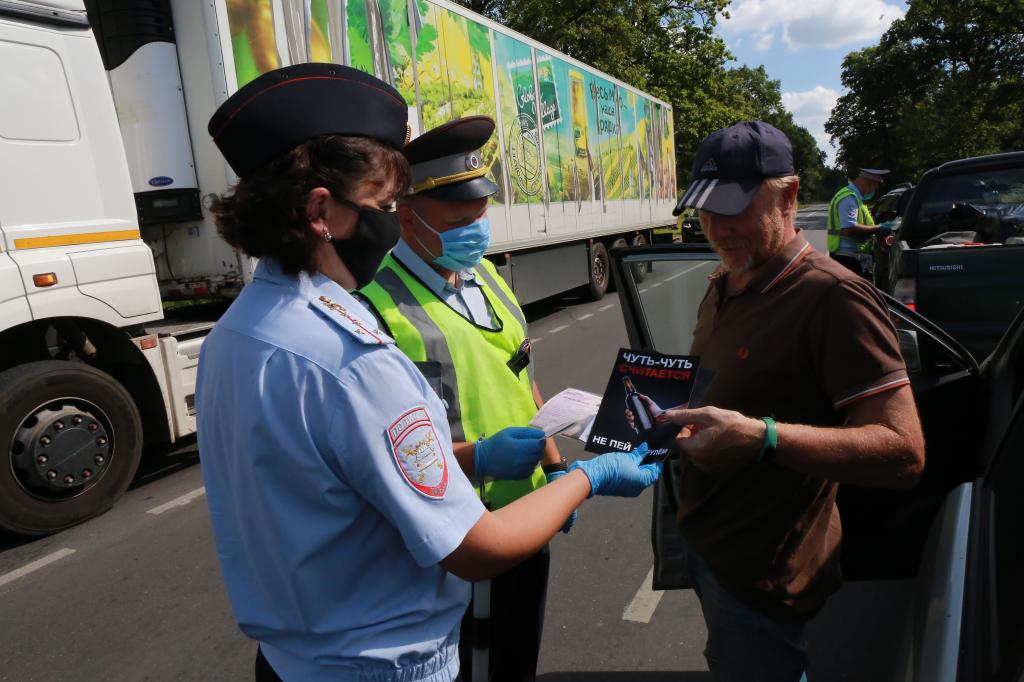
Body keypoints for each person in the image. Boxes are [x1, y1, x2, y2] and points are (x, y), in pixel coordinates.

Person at [195, 63, 663, 682]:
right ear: (319, 211)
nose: (390, 222)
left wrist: (491, 459)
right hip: (384, 662)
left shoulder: (242, 329)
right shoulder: (350, 355)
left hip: (294, 658)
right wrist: (590, 477)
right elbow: (476, 551)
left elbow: (349, 471)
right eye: (385, 204)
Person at [663, 121, 925, 681]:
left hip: (765, 576)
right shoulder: (727, 278)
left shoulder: (834, 298)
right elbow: (725, 384)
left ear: (790, 195)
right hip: (712, 549)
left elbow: (904, 450)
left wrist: (764, 437)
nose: (717, 228)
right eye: (705, 211)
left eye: (734, 209)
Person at [358, 115, 569, 682]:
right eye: (458, 221)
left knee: (516, 658)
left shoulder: (488, 278)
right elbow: (381, 456)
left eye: (480, 216)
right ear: (408, 218)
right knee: (470, 669)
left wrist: (555, 468)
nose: (475, 231)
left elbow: (523, 377)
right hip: (451, 535)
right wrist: (484, 457)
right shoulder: (374, 309)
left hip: (523, 518)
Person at [826, 167, 894, 276]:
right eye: (875, 186)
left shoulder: (855, 198)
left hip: (849, 257)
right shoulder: (849, 198)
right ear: (869, 183)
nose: (874, 190)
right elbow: (849, 229)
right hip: (847, 259)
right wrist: (878, 228)